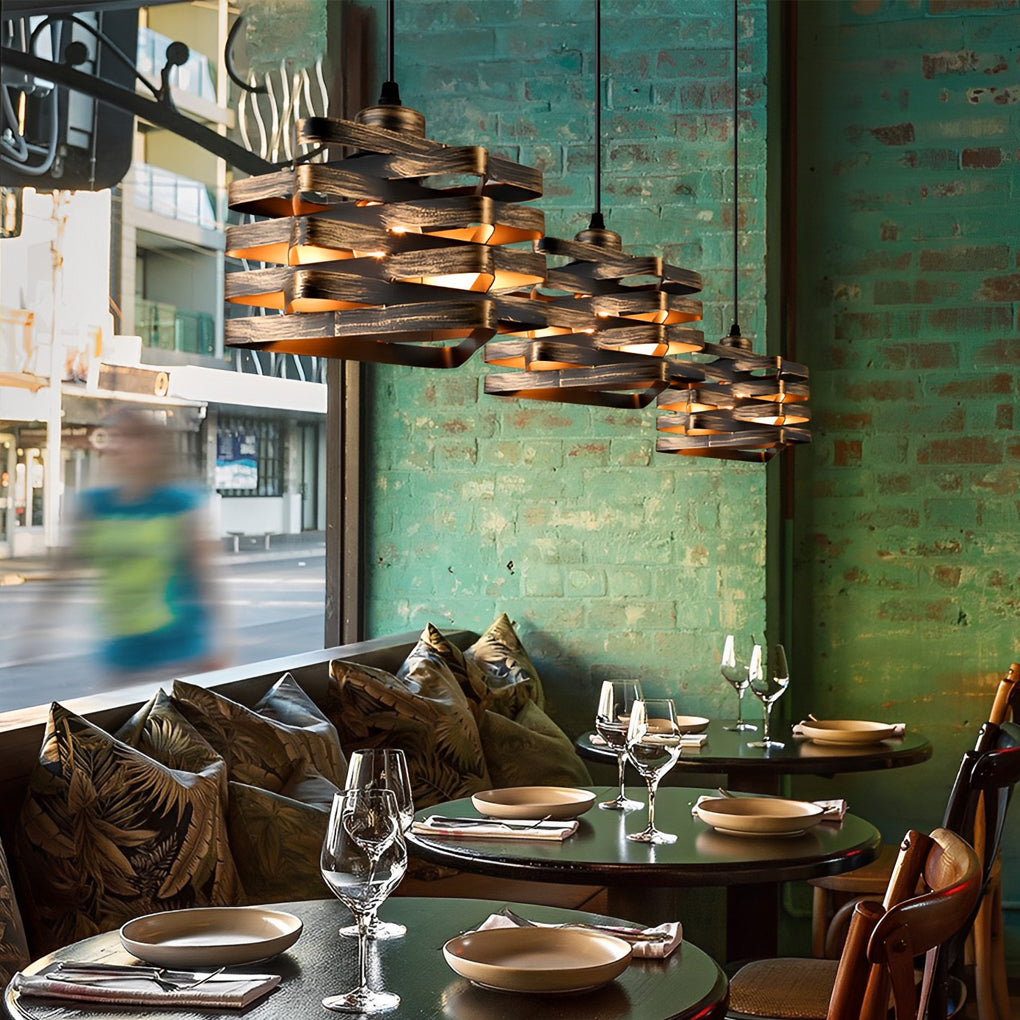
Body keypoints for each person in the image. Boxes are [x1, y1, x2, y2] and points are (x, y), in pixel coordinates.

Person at [68, 409, 228, 681]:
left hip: (177, 651)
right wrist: (33, 633)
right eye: (113, 437)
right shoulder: (96, 504)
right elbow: (64, 569)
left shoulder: (180, 503)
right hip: (121, 653)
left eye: (130, 438)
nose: (117, 445)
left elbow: (208, 579)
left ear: (152, 447)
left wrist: (224, 641)